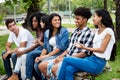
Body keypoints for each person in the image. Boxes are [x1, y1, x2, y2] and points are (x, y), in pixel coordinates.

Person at [58, 9, 116, 80]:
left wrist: (85, 48)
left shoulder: (108, 31)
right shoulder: (98, 31)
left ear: (100, 18)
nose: (92, 18)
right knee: (69, 69)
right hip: (91, 59)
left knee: (66, 59)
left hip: (98, 64)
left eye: (94, 16)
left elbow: (102, 49)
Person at [39, 7, 94, 80]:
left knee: (54, 69)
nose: (75, 21)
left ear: (85, 20)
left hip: (77, 60)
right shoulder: (75, 32)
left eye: (78, 19)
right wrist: (60, 57)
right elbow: (68, 49)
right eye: (75, 18)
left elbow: (84, 54)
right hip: (67, 57)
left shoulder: (88, 33)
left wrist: (65, 59)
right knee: (41, 66)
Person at [34, 13, 69, 80]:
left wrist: (47, 56)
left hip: (60, 54)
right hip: (51, 55)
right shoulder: (47, 32)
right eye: (55, 20)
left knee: (41, 66)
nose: (57, 21)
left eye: (59, 20)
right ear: (50, 22)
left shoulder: (63, 31)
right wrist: (40, 57)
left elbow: (60, 47)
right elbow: (45, 47)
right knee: (36, 64)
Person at [15, 12, 49, 80]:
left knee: (29, 55)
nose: (33, 23)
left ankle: (28, 78)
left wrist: (24, 51)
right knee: (18, 55)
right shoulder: (38, 31)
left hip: (43, 50)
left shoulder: (45, 31)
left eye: (35, 21)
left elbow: (43, 46)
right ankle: (17, 75)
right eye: (32, 21)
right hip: (39, 49)